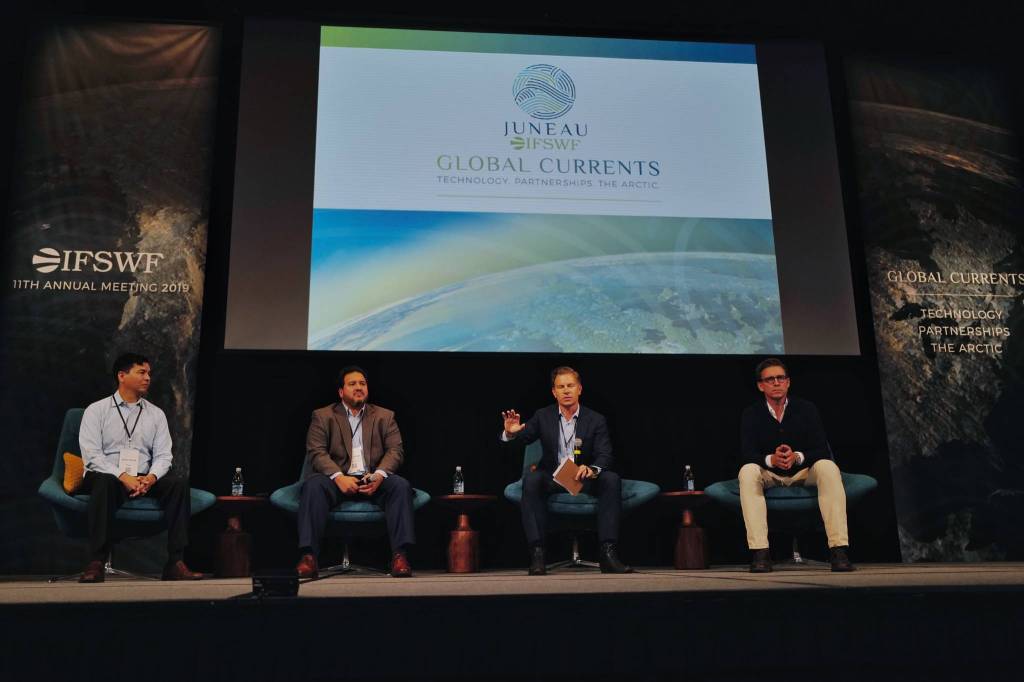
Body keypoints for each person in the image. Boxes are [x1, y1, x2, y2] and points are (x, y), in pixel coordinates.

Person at [77, 353, 205, 582]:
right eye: (141, 372)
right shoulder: (96, 411)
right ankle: (96, 561)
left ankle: (175, 561)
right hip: (107, 475)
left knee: (177, 485)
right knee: (105, 481)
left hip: (143, 476)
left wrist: (152, 477)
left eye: (149, 373)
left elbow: (165, 455)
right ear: (122, 376)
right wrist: (123, 476)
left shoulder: (156, 414)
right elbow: (92, 455)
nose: (148, 378)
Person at [501, 366, 632, 575]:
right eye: (561, 387)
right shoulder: (543, 416)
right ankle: (537, 555)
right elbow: (522, 441)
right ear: (554, 392)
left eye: (570, 385)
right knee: (532, 480)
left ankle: (608, 554)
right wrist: (510, 433)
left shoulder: (596, 419)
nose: (566, 390)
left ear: (579, 389)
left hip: (584, 476)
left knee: (611, 479)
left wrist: (592, 469)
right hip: (554, 476)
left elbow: (605, 454)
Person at [295, 366, 415, 578]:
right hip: (337, 478)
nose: (359, 388)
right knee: (313, 486)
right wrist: (338, 477)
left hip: (372, 477)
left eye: (362, 383)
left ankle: (400, 556)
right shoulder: (323, 416)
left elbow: (396, 451)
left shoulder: (385, 417)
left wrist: (379, 475)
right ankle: (309, 557)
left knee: (400, 486)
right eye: (352, 384)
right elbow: (316, 452)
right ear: (341, 392)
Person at [739, 358, 854, 573]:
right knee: (747, 471)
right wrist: (770, 460)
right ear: (760, 385)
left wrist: (798, 457)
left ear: (788, 382)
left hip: (803, 471)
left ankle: (839, 550)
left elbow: (821, 448)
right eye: (770, 379)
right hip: (770, 474)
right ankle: (760, 553)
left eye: (780, 378)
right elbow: (747, 454)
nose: (776, 383)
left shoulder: (807, 409)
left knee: (828, 467)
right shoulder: (751, 414)